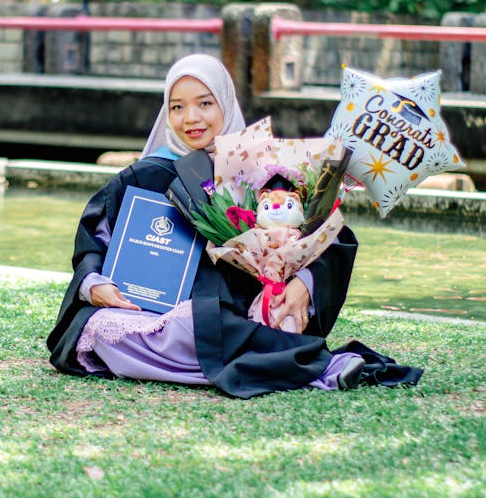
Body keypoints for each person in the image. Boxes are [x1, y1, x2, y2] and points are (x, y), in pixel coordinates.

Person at [46, 54, 423, 398]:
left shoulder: (263, 170)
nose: (190, 118)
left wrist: (302, 286)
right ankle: (282, 364)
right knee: (97, 331)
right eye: (177, 107)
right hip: (152, 313)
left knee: (209, 326)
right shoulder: (146, 174)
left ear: (225, 102)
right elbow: (95, 239)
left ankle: (287, 360)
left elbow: (327, 236)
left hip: (238, 308)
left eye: (204, 104)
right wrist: (97, 286)